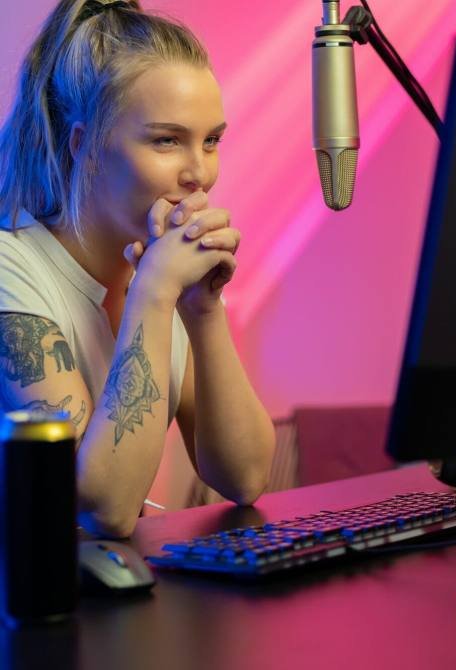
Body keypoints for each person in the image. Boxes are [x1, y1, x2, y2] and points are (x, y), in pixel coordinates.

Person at [0, 0, 276, 537]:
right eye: (166, 140)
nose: (200, 173)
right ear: (85, 146)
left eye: (212, 140)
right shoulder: (13, 272)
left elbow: (243, 477)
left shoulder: (157, 270)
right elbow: (104, 508)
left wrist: (204, 309)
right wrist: (154, 293)